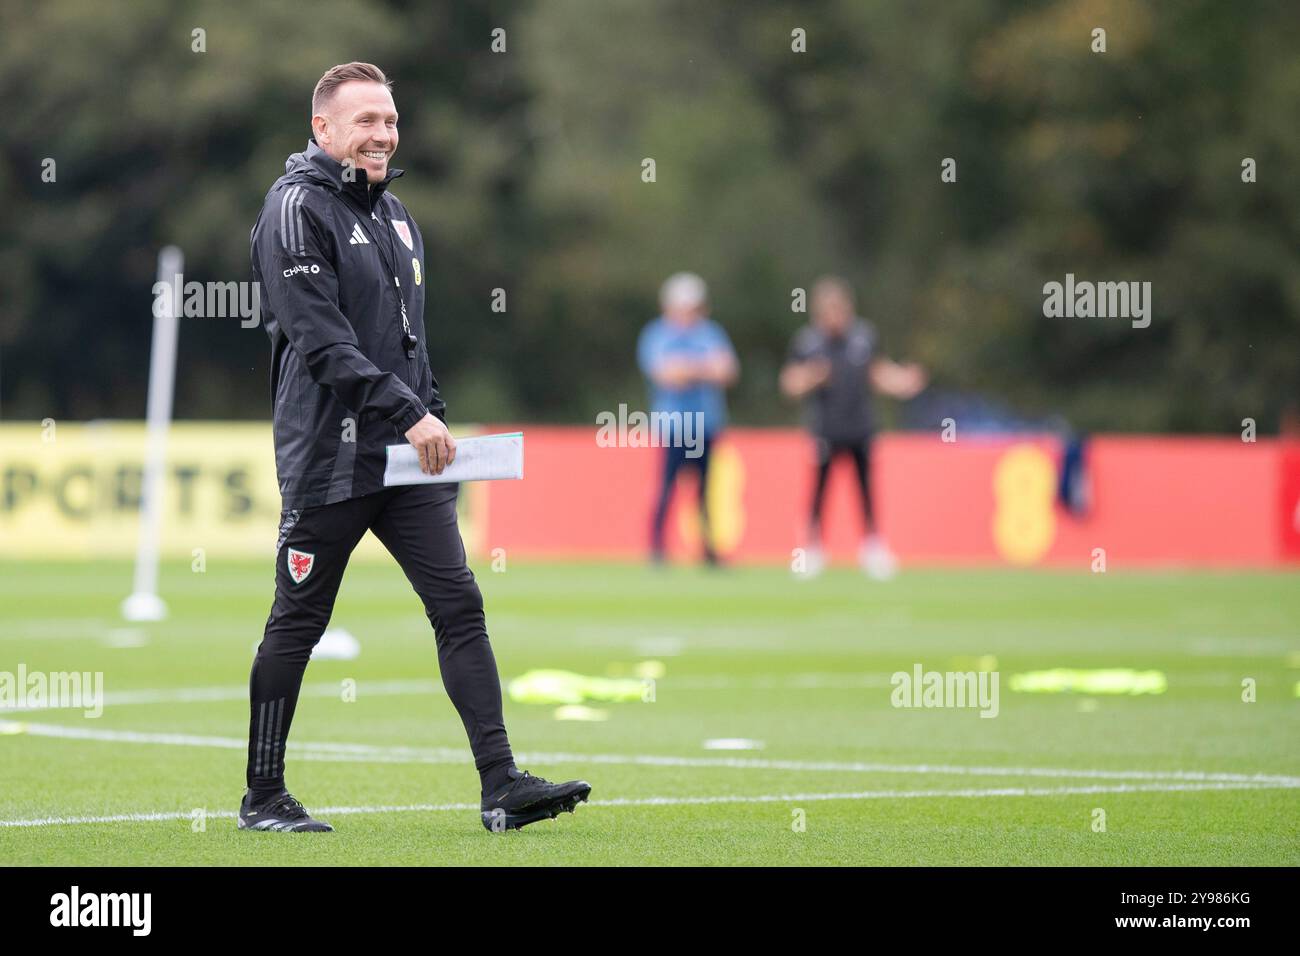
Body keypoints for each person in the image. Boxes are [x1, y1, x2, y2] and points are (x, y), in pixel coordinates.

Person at [245, 62, 589, 832]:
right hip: (330, 460)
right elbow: (323, 343)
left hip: (407, 461)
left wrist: (436, 425)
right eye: (365, 120)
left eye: (391, 121)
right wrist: (409, 413)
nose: (383, 134)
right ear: (322, 129)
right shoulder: (294, 209)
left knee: (460, 605)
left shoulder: (397, 215)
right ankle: (262, 798)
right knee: (298, 623)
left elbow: (409, 345)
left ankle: (501, 783)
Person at [780, 276, 926, 578]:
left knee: (866, 491)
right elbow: (789, 384)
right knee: (819, 492)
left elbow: (879, 373)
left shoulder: (863, 338)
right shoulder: (808, 343)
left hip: (861, 427)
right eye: (829, 310)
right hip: (825, 429)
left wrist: (903, 382)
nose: (835, 316)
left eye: (840, 309)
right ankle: (812, 549)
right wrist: (812, 377)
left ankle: (872, 547)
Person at [636, 273, 739, 565]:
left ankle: (707, 547)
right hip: (674, 426)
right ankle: (657, 547)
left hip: (706, 424)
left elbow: (728, 371)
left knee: (705, 489)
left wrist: (688, 369)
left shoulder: (710, 333)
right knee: (666, 486)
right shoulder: (657, 334)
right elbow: (667, 375)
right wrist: (705, 369)